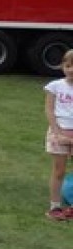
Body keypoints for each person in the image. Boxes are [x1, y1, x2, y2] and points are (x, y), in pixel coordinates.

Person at [44, 50, 73, 220]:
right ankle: (55, 206)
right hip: (59, 131)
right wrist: (56, 132)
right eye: (67, 65)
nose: (70, 70)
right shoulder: (55, 86)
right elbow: (49, 109)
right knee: (59, 170)